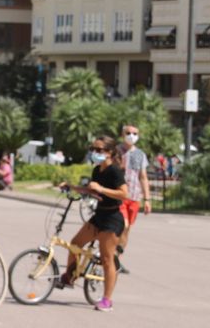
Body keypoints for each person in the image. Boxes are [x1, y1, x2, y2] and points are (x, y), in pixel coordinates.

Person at [57, 136, 128, 312]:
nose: (95, 153)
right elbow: (91, 189)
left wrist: (102, 189)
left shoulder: (114, 171)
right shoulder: (97, 170)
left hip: (112, 219)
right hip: (99, 215)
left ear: (110, 152)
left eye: (99, 150)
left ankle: (107, 300)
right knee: (75, 244)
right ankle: (70, 276)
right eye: (93, 149)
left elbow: (123, 193)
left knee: (106, 259)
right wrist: (72, 187)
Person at [117, 125, 151, 272]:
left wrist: (147, 199)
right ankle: (109, 255)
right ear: (122, 134)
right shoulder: (116, 151)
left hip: (134, 197)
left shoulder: (140, 154)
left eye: (134, 133)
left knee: (127, 230)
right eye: (128, 133)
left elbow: (143, 177)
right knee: (121, 225)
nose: (131, 135)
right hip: (119, 195)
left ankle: (116, 258)